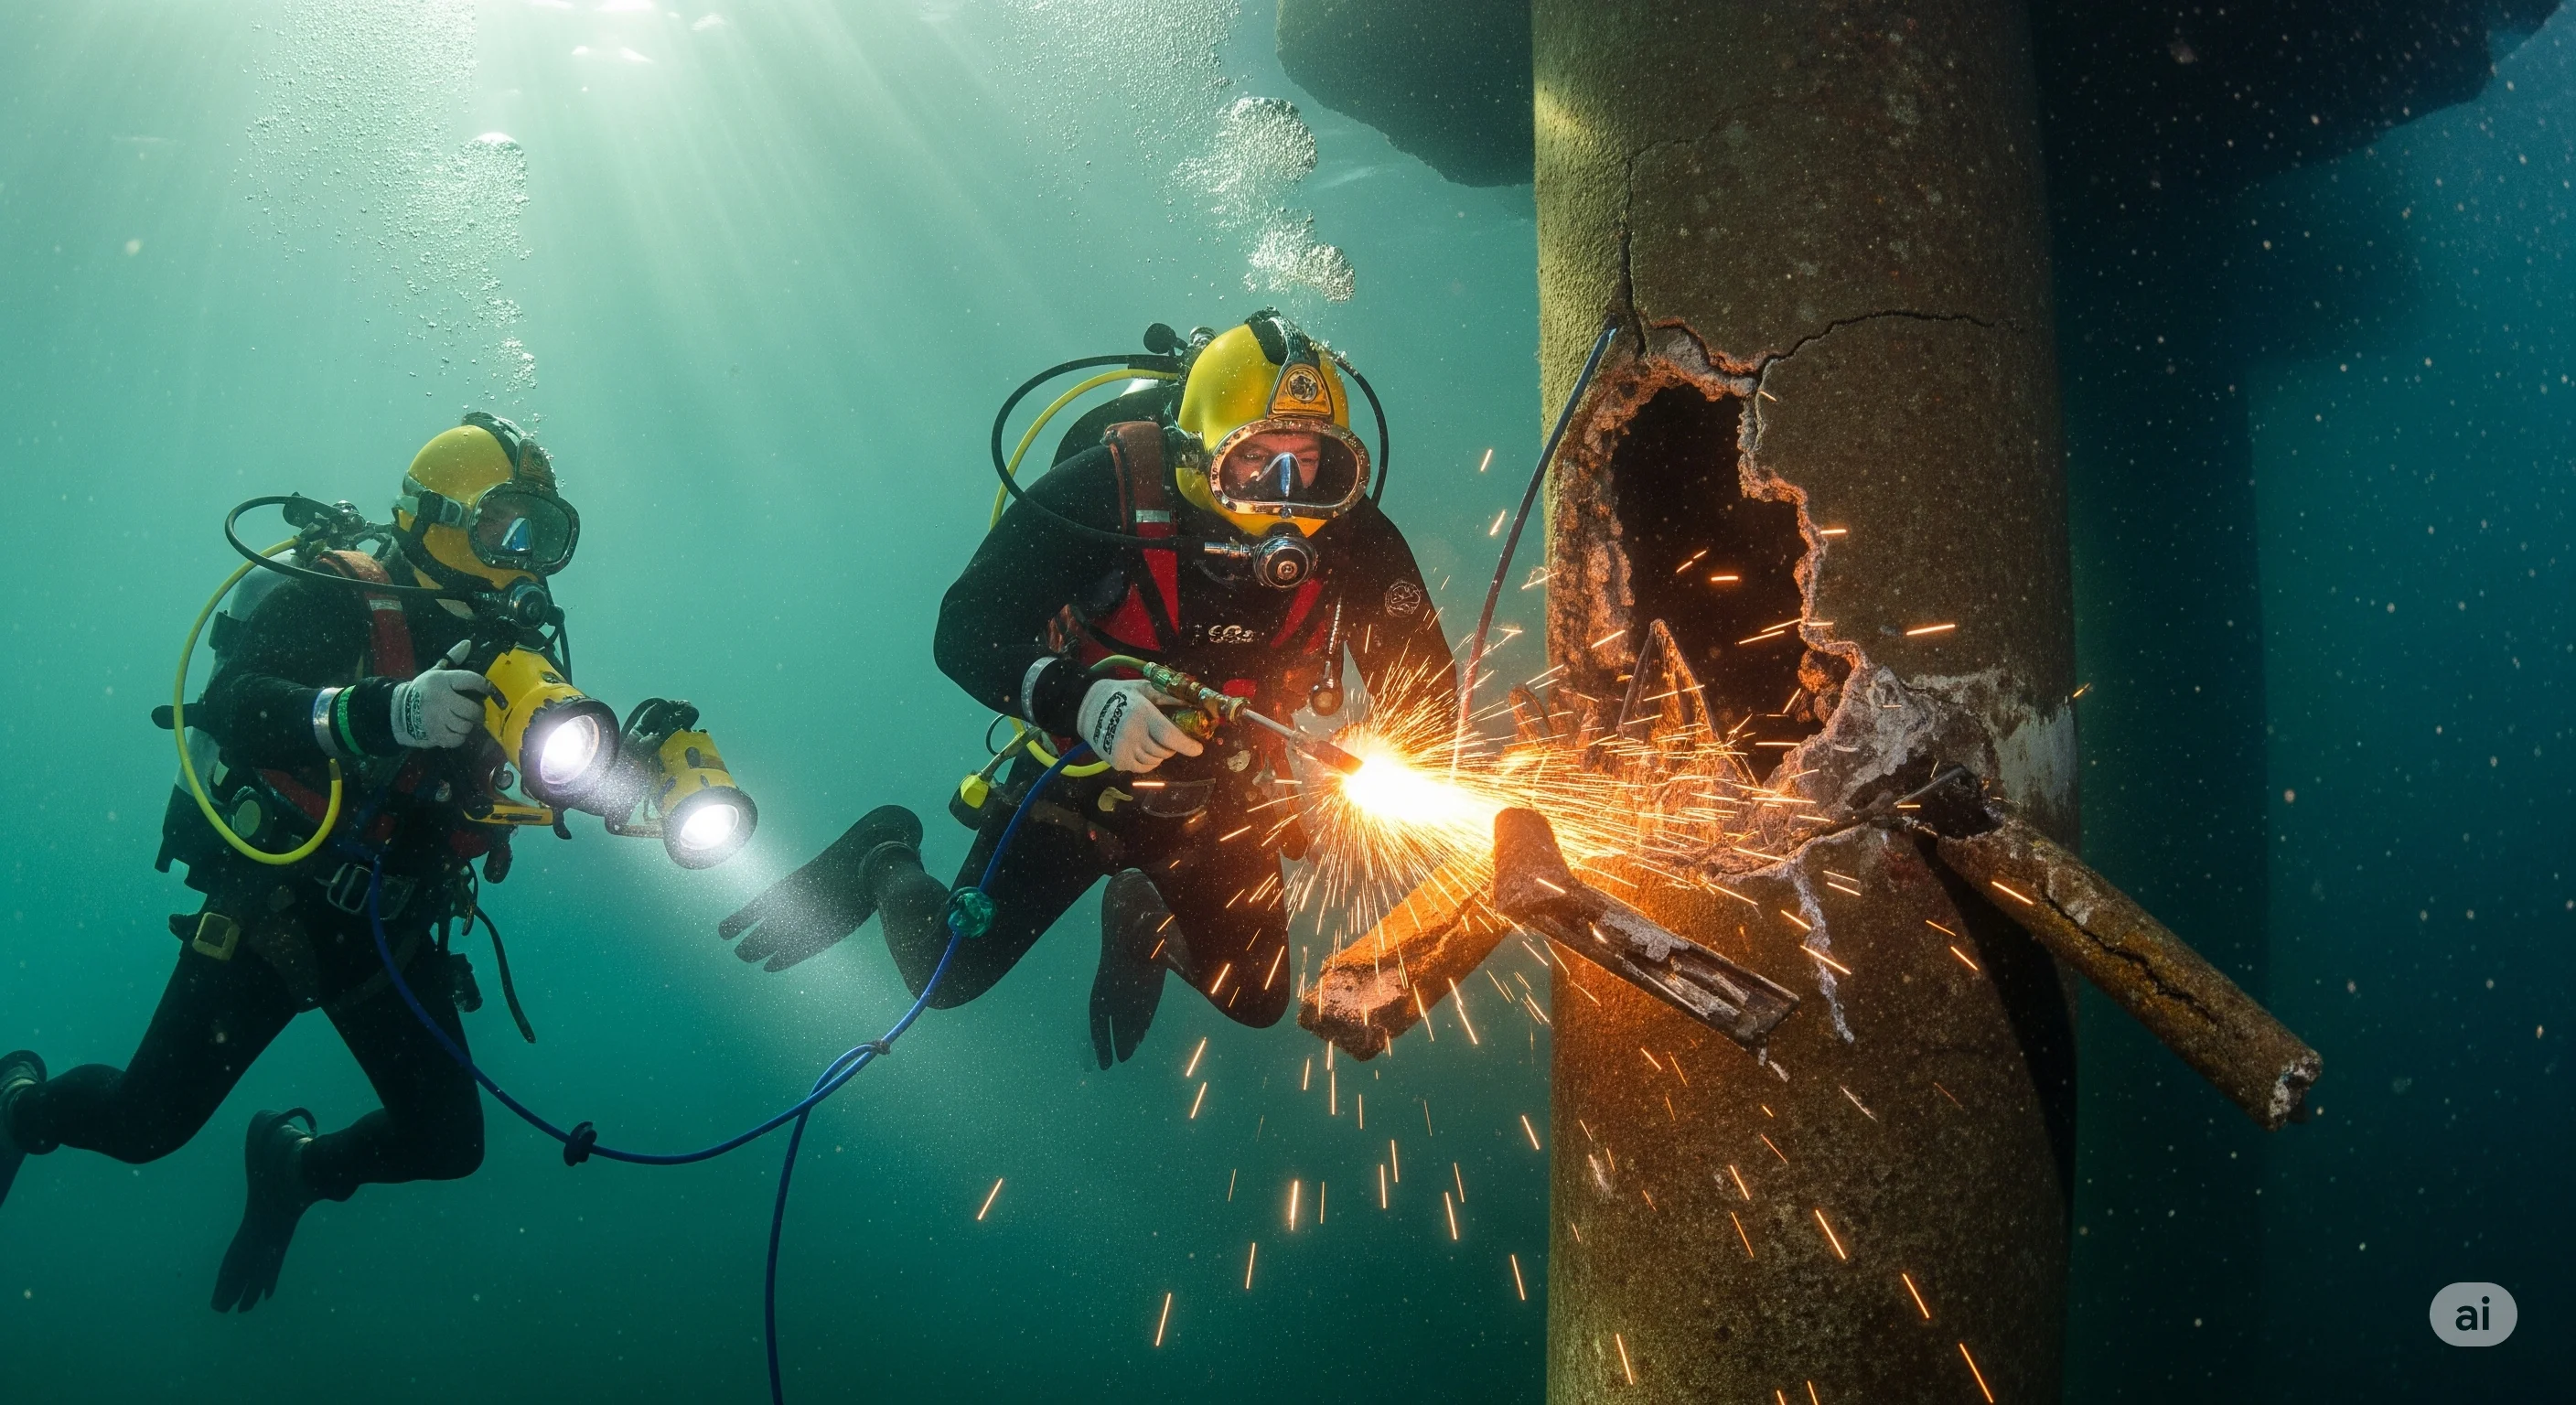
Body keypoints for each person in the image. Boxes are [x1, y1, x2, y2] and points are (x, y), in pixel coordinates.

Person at [717, 311, 1454, 1067]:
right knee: (948, 975)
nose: (1287, 495)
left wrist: (1397, 745)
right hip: (1080, 783)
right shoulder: (1106, 491)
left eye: (1315, 464)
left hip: (1225, 792)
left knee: (1258, 1003)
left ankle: (1142, 919)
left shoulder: (1353, 533)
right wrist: (1081, 702)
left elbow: (1429, 696)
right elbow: (965, 630)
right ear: (1197, 455)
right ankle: (883, 851)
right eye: (1255, 462)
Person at [0, 413, 582, 1312]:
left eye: (545, 536)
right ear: (439, 515)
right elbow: (233, 701)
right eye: (509, 528)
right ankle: (19, 1107)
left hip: (393, 923)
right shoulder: (333, 591)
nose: (528, 559)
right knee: (144, 1125)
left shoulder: (519, 652)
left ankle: (294, 1169)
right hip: (276, 909)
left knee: (447, 1144)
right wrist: (378, 711)